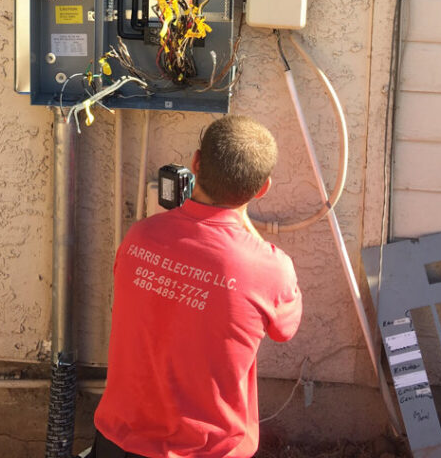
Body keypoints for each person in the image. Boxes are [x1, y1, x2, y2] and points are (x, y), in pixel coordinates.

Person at [87, 114, 302, 458]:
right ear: (262, 189)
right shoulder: (271, 268)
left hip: (118, 443)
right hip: (206, 451)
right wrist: (241, 219)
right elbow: (284, 329)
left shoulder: (139, 237)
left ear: (196, 162)